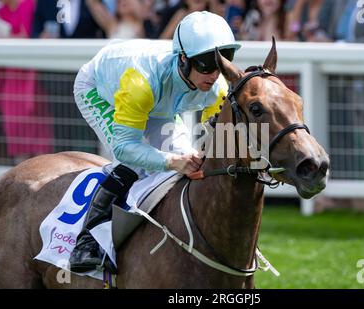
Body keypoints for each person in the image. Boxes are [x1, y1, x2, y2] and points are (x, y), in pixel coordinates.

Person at [69, 11, 241, 273]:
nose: (214, 73)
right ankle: (87, 241)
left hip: (157, 105)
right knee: (136, 164)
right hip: (101, 90)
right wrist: (172, 160)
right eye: (205, 63)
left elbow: (215, 140)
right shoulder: (141, 83)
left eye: (222, 61)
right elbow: (125, 148)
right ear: (183, 59)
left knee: (188, 159)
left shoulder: (216, 89)